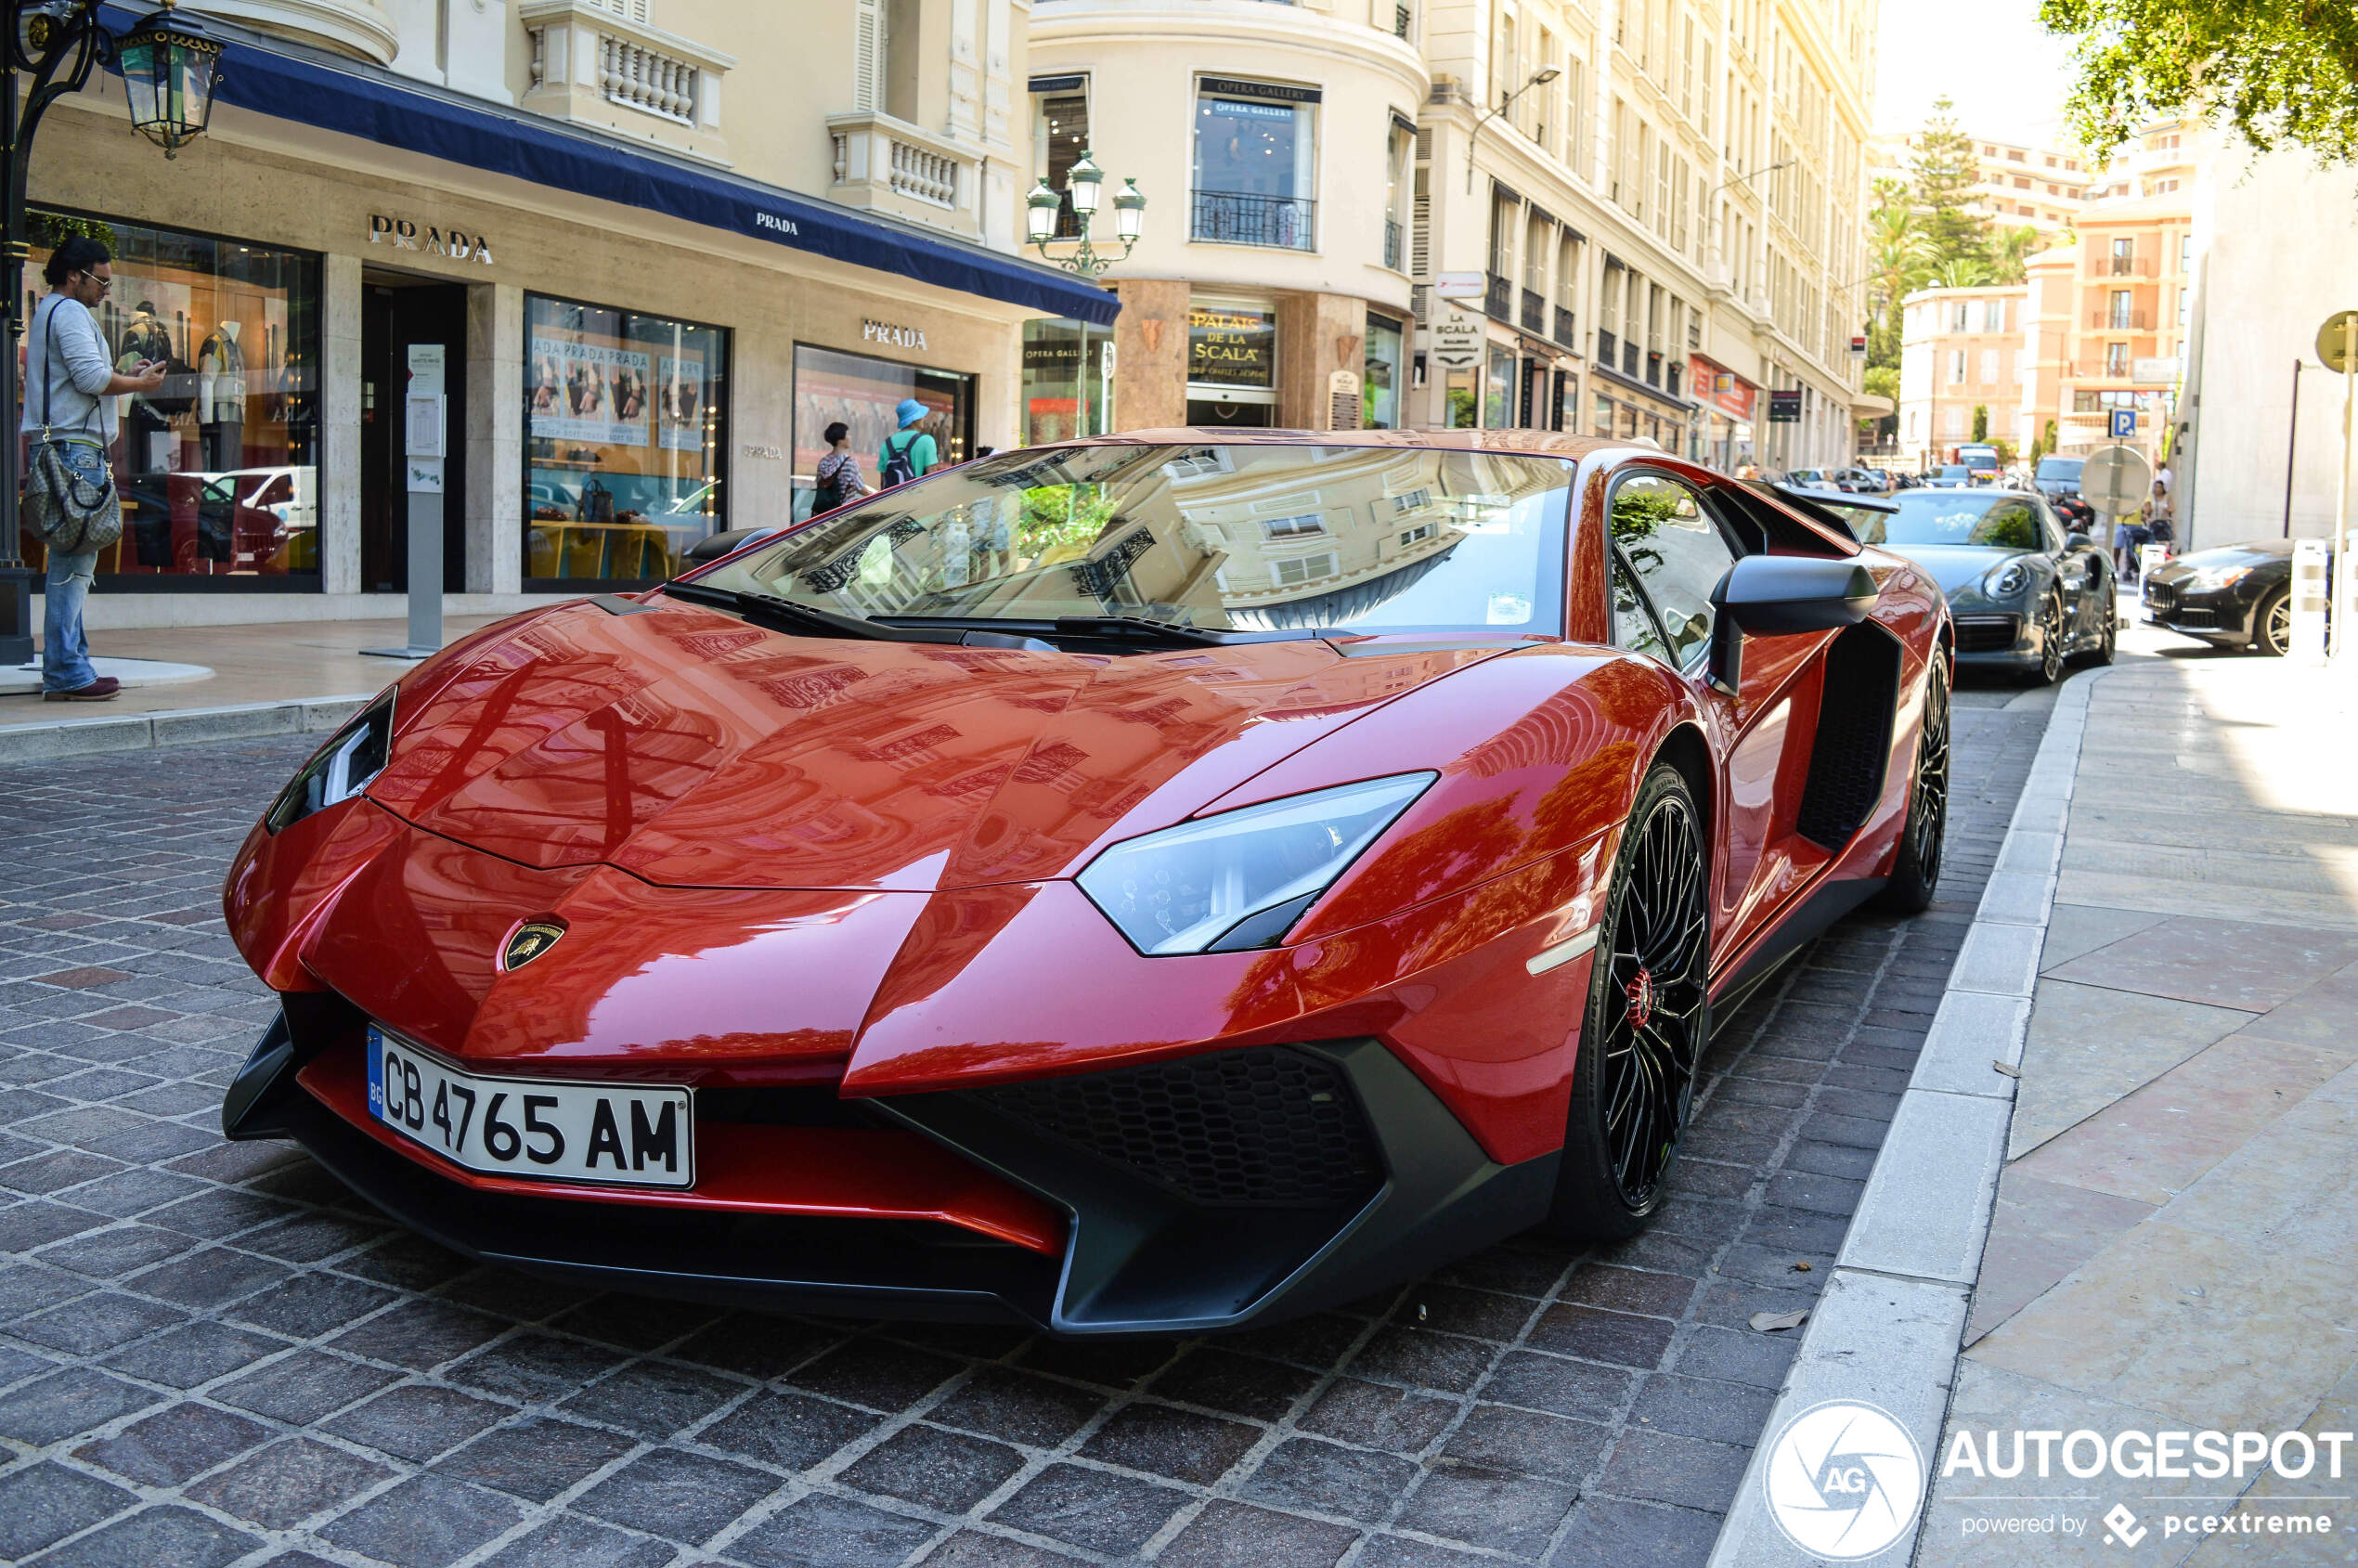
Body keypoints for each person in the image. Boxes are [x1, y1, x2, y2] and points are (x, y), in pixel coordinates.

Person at [25, 238, 165, 702]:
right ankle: (67, 671)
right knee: (72, 565)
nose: (106, 288)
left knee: (73, 563)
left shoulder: (50, 311)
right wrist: (139, 382)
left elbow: (83, 376)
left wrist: (125, 371)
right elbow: (90, 379)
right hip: (75, 452)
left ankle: (72, 663)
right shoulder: (69, 312)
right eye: (101, 280)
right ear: (75, 274)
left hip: (65, 447)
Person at [810, 421, 870, 516]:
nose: (850, 437)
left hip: (821, 515)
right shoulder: (849, 462)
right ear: (840, 440)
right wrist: (880, 498)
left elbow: (819, 483)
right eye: (848, 434)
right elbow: (862, 489)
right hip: (841, 515)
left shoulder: (823, 461)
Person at [878, 398, 937, 487]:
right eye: (921, 416)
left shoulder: (886, 444)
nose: (924, 418)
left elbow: (883, 482)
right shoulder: (927, 441)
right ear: (915, 419)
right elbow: (932, 478)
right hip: (918, 499)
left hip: (893, 500)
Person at [2142, 479, 2174, 552]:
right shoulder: (2150, 496)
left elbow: (2173, 508)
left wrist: (2167, 509)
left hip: (2164, 523)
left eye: (2160, 487)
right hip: (2153, 522)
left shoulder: (2167, 496)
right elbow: (2146, 510)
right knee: (2153, 540)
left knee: (2165, 541)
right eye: (2156, 487)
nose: (2158, 489)